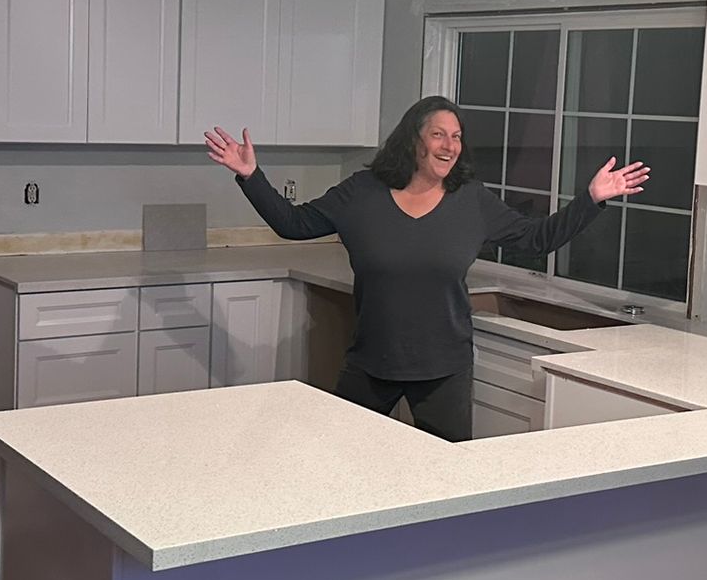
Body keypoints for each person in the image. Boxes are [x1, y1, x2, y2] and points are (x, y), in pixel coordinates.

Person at [206, 95, 648, 442]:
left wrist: (591, 199)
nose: (450, 145)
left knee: (445, 479)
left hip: (444, 368)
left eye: (456, 136)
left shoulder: (472, 201)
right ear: (413, 140)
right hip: (371, 362)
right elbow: (293, 224)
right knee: (342, 460)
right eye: (438, 134)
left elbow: (538, 238)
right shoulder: (362, 194)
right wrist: (251, 175)